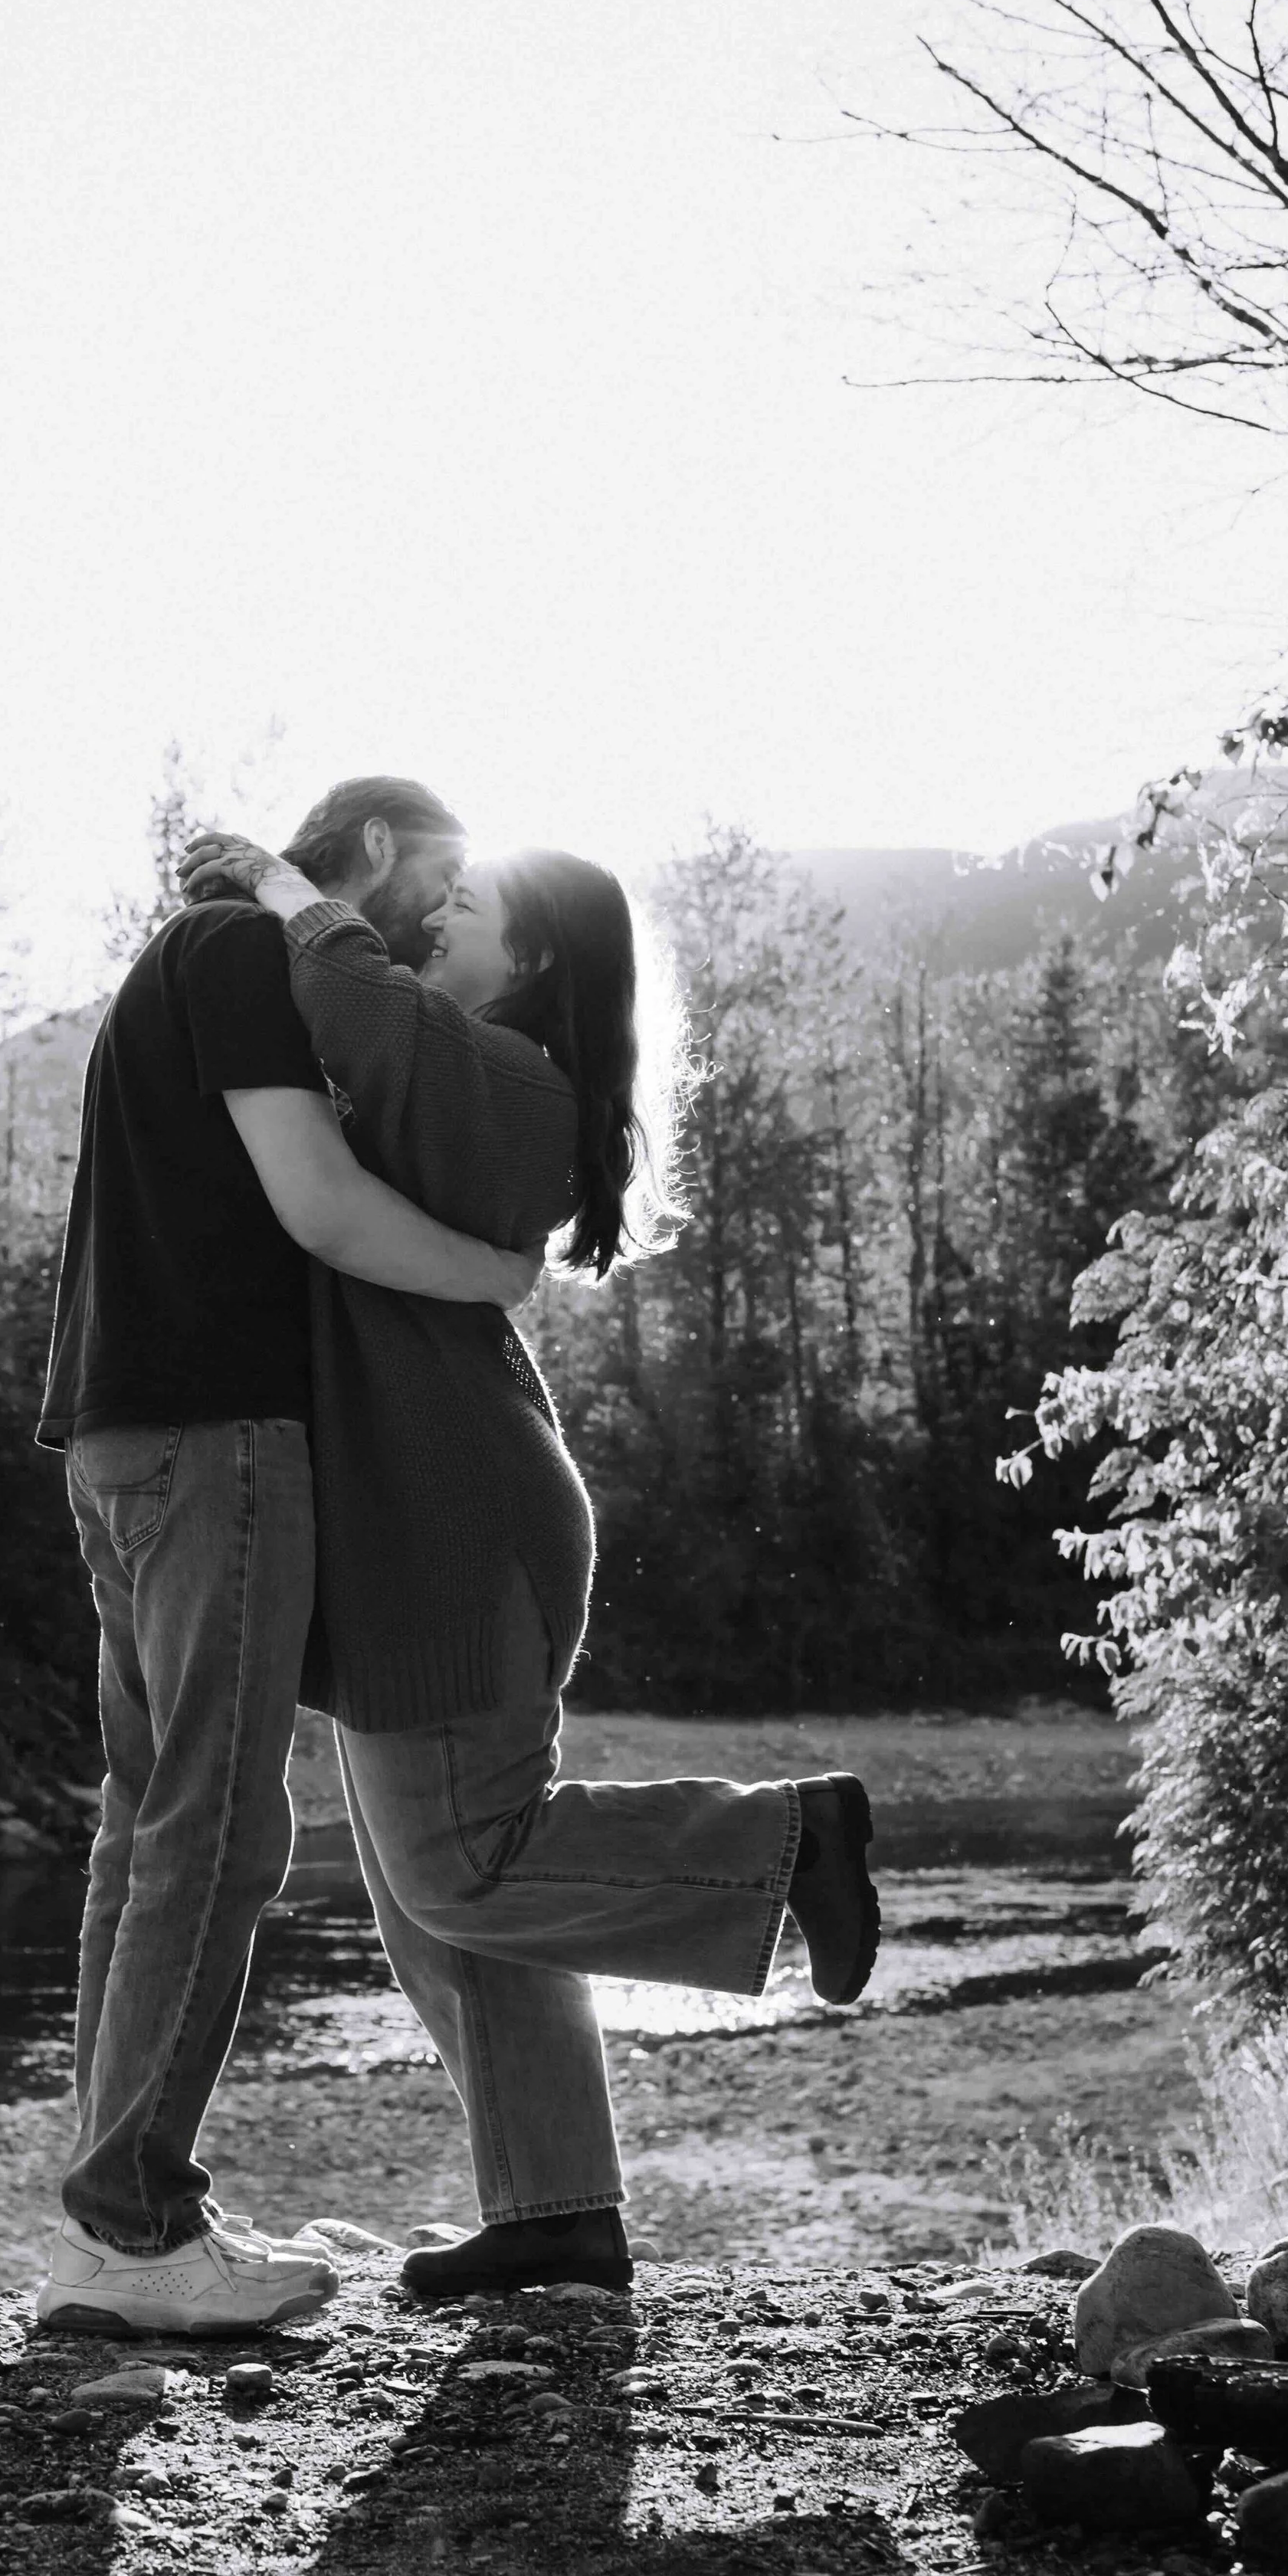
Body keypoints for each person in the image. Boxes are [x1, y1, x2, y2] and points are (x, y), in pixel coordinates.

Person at [175, 825, 880, 2300]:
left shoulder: (509, 1081)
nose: (439, 915)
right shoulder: (467, 1073)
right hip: (417, 1522)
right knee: (446, 1901)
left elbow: (364, 1004)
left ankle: (786, 1837)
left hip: (454, 1523)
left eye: (470, 904)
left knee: (473, 1865)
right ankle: (557, 2205)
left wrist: (281, 885)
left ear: (539, 957)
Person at [31, 776, 546, 2337]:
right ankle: (134, 2233)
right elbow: (319, 1208)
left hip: (115, 1441)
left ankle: (106, 2221)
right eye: (436, 878)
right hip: (216, 1440)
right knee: (213, 1832)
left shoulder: (178, 962)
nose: (426, 918)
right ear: (376, 848)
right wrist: (494, 1278)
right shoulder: (243, 956)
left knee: (145, 1829)